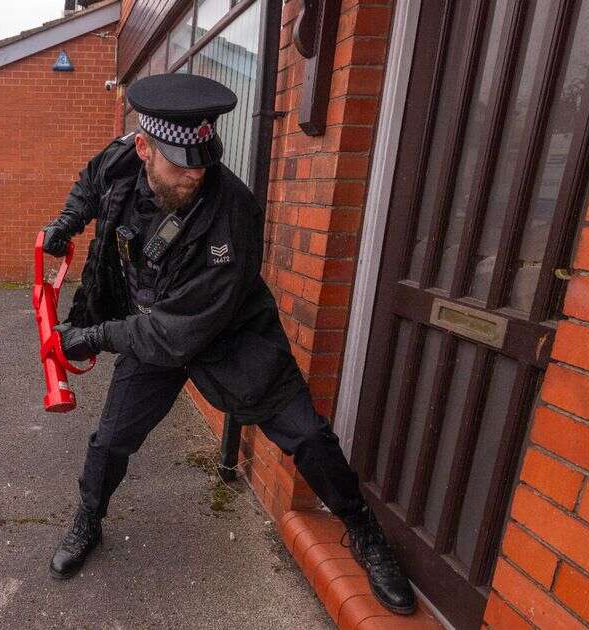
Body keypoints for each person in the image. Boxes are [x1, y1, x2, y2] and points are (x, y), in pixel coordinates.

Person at [40, 75, 416, 614]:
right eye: (181, 162)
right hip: (153, 325)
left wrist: (97, 335)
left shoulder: (232, 213)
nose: (197, 172)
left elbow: (179, 331)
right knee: (111, 439)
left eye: (203, 159)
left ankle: (362, 529)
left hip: (228, 336)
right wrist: (68, 222)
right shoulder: (126, 156)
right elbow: (91, 181)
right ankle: (88, 520)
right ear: (145, 146)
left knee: (307, 434)